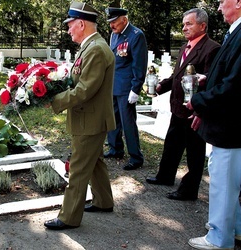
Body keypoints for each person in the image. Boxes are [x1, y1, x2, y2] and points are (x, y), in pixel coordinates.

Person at [43, 1, 116, 230]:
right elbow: (78, 80)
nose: (68, 30)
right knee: (94, 162)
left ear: (81, 23)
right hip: (91, 118)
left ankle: (68, 217)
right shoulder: (91, 46)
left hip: (90, 120)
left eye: (70, 25)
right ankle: (104, 202)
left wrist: (56, 100)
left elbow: (85, 89)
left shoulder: (95, 49)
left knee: (78, 169)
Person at [145, 8, 220, 201]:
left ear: (203, 26)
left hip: (194, 110)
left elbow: (210, 81)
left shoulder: (212, 49)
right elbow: (178, 75)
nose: (184, 27)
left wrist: (200, 110)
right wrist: (161, 86)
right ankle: (165, 176)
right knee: (172, 144)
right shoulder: (187, 46)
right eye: (183, 24)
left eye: (189, 24)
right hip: (178, 107)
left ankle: (188, 190)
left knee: (195, 152)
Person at [186, 0, 241, 249]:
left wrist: (198, 101)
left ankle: (219, 238)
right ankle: (237, 228)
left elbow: (234, 87)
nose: (219, 7)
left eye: (222, 1)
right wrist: (209, 78)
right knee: (231, 182)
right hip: (229, 124)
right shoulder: (235, 32)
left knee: (223, 182)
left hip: (230, 127)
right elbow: (231, 73)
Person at [103, 7, 148, 170]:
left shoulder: (136, 35)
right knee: (112, 120)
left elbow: (139, 64)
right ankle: (115, 149)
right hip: (113, 85)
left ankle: (136, 157)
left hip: (127, 88)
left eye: (114, 22)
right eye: (110, 22)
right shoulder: (114, 35)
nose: (111, 26)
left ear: (124, 19)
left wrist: (136, 88)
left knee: (128, 123)